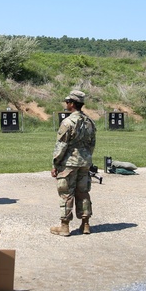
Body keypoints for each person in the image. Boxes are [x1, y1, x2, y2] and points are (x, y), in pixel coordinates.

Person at [50, 90, 96, 236]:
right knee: (83, 192)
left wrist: (55, 164)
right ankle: (85, 224)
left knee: (66, 193)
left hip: (69, 163)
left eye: (67, 101)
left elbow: (61, 145)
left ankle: (64, 226)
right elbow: (92, 144)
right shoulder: (89, 122)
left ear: (72, 104)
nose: (66, 104)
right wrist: (87, 158)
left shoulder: (68, 122)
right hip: (85, 162)